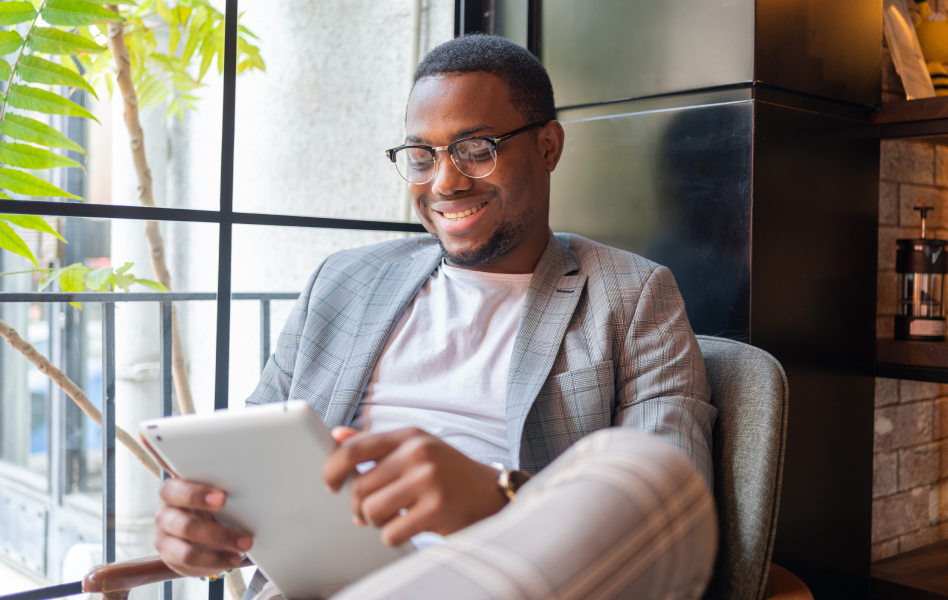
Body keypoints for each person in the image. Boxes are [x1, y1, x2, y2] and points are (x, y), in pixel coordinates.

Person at [154, 35, 719, 600]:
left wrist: (501, 500)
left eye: (476, 149)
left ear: (548, 147)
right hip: (320, 583)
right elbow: (251, 455)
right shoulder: (343, 281)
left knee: (650, 469)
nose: (445, 183)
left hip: (502, 574)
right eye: (422, 156)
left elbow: (675, 500)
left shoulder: (632, 293)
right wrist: (200, 517)